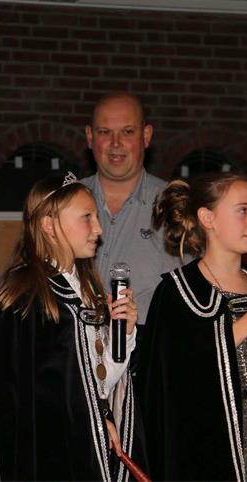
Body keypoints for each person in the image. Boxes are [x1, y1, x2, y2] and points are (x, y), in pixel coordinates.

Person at [137, 172, 247, 481]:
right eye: (243, 210)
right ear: (208, 218)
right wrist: (241, 328)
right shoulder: (177, 292)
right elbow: (171, 380)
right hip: (206, 456)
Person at [0, 172, 145, 481]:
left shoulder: (84, 289)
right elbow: (27, 398)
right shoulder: (27, 295)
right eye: (86, 217)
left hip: (85, 443)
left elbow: (96, 380)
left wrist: (123, 333)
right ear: (49, 225)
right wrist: (91, 418)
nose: (98, 229)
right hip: (52, 456)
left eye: (96, 217)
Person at [81, 92, 182, 338]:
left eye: (127, 132)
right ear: (90, 137)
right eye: (105, 132)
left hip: (149, 355)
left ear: (146, 136)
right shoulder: (59, 205)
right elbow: (19, 287)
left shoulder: (176, 207)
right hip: (72, 355)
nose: (116, 143)